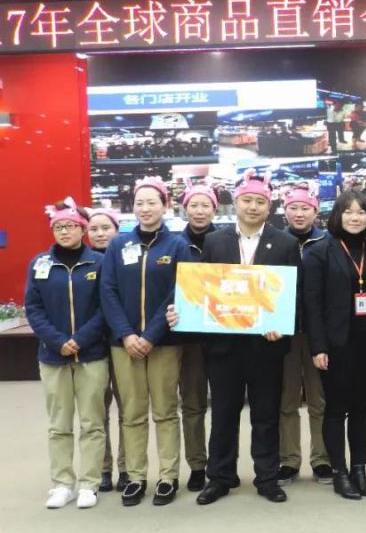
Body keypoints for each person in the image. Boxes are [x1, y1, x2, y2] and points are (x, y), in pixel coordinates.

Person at [170, 171, 301, 505]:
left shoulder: (285, 243)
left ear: (269, 206)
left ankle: (267, 477)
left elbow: (295, 295)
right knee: (224, 414)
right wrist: (184, 312)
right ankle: (220, 477)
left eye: (260, 202)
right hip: (224, 346)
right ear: (236, 203)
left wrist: (282, 324)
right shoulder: (216, 241)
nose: (253, 207)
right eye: (247, 201)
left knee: (266, 415)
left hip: (266, 345)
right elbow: (204, 292)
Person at [100, 177, 191, 506]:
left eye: (152, 202)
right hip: (123, 344)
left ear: (165, 206)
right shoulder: (118, 245)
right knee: (132, 413)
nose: (145, 208)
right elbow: (108, 291)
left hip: (163, 343)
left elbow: (179, 292)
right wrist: (126, 334)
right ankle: (136, 477)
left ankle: (168, 476)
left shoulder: (178, 246)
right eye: (140, 203)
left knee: (165, 411)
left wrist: (150, 335)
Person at [303, 191, 366, 500]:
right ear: (337, 215)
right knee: (336, 408)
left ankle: (358, 470)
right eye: (349, 211)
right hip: (335, 345)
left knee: (360, 408)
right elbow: (312, 304)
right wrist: (318, 347)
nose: (355, 217)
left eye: (361, 212)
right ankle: (339, 472)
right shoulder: (319, 252)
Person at [26, 200, 109, 509]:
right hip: (53, 357)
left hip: (92, 356)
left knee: (92, 423)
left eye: (70, 226)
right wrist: (58, 341)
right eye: (58, 227)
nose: (64, 231)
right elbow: (33, 308)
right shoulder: (40, 264)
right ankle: (62, 484)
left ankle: (89, 483)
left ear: (82, 229)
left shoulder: (99, 263)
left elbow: (105, 306)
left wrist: (80, 339)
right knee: (59, 424)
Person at [278, 185, 332, 486]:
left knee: (319, 400)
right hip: (282, 333)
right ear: (285, 211)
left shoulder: (328, 242)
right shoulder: (275, 241)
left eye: (305, 208)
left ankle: (322, 459)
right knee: (286, 400)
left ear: (315, 211)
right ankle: (288, 459)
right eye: (293, 208)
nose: (299, 214)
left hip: (317, 334)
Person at [177, 182, 220, 492]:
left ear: (215, 209)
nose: (200, 211)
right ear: (185, 209)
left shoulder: (229, 241)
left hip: (224, 335)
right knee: (192, 404)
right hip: (190, 336)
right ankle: (196, 464)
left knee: (225, 405)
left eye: (206, 205)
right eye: (194, 205)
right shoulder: (174, 244)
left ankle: (220, 464)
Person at [85, 206, 128, 493]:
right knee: (97, 411)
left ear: (116, 229)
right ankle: (103, 468)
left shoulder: (126, 258)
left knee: (128, 409)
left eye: (106, 228)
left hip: (122, 342)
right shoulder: (83, 260)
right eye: (94, 229)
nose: (100, 234)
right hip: (91, 347)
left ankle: (126, 467)